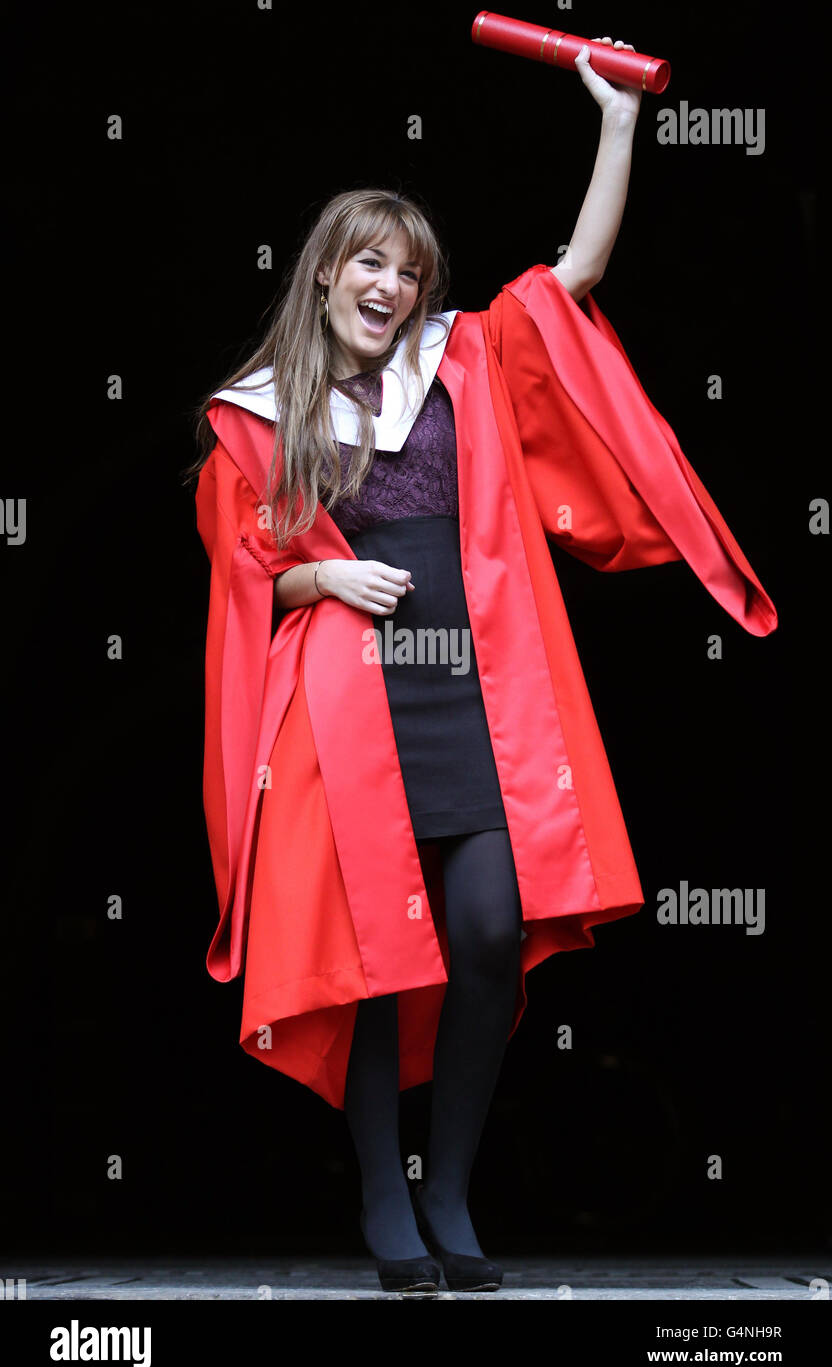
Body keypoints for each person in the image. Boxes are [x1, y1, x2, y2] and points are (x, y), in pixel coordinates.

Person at [186, 39, 777, 1294]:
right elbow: (246, 575)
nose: (391, 286)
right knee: (378, 958)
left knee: (488, 931)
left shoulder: (458, 361)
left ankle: (448, 1187)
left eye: (409, 268)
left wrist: (617, 127)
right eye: (369, 263)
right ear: (327, 274)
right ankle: (384, 1202)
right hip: (349, 703)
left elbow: (574, 276)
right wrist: (321, 576)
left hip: (473, 689)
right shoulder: (257, 411)